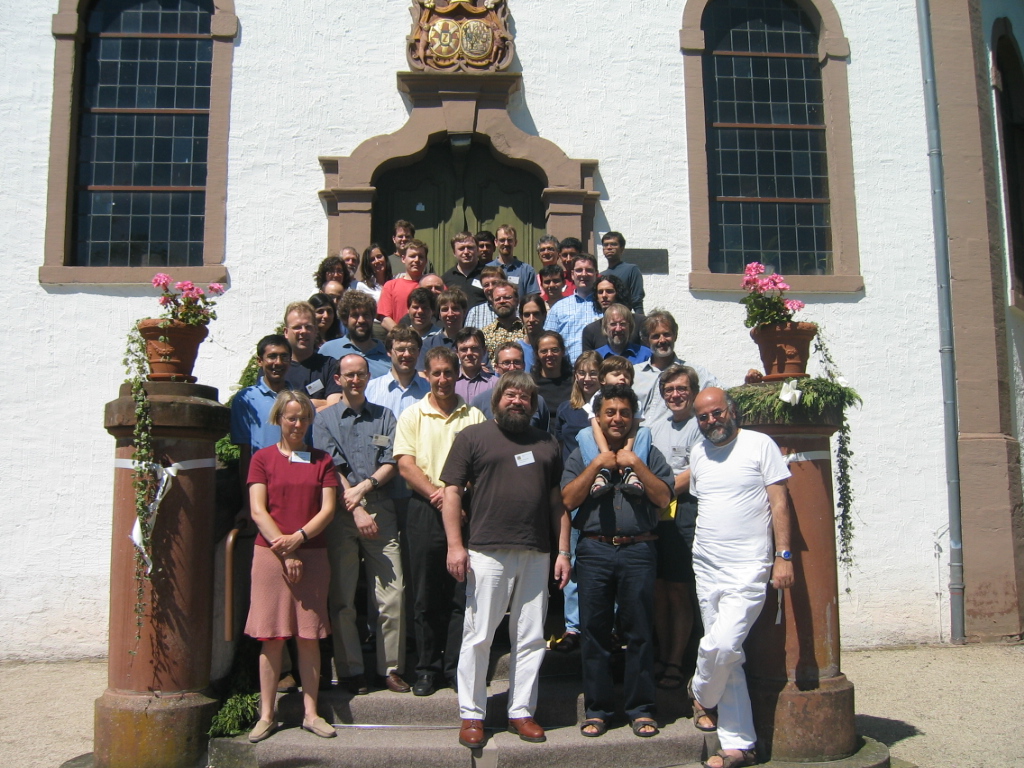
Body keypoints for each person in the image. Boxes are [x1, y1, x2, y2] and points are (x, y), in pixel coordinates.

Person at [441, 372, 571, 749]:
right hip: (487, 550)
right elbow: (452, 493)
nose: (517, 401)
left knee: (530, 637)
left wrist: (563, 551)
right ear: (497, 400)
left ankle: (521, 711)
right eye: (510, 395)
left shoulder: (547, 443)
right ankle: (472, 714)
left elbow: (557, 503)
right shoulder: (472, 437)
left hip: (536, 551)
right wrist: (455, 546)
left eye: (525, 397)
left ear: (533, 405)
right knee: (479, 634)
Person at [688, 387, 795, 768]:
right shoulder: (698, 452)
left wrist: (783, 556)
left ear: (731, 411)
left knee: (723, 644)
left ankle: (700, 690)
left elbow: (779, 502)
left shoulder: (759, 444)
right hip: (706, 564)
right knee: (729, 656)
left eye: (716, 413)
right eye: (703, 417)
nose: (711, 421)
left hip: (749, 565)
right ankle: (738, 745)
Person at [561, 384, 674, 740]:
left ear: (633, 417)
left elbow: (663, 497)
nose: (617, 418)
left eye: (624, 412)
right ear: (598, 417)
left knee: (639, 632)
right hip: (594, 550)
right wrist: (598, 463)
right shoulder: (581, 452)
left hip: (638, 551)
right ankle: (598, 709)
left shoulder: (649, 452)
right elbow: (567, 499)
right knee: (594, 633)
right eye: (610, 412)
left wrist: (635, 463)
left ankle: (641, 709)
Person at [244, 390, 338, 743]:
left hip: (311, 554)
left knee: (308, 636)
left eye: (304, 418)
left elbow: (328, 510)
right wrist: (285, 550)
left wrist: (298, 539)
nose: (298, 424)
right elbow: (258, 510)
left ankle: (311, 714)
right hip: (271, 557)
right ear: (279, 419)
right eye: (292, 417)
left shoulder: (322, 460)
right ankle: (267, 715)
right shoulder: (262, 459)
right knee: (271, 637)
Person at [314, 354, 409, 695]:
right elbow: (329, 467)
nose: (355, 380)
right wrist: (354, 507)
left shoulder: (385, 416)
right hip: (341, 515)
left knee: (393, 593)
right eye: (349, 375)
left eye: (360, 374)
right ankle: (351, 670)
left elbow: (392, 461)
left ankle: (391, 668)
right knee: (342, 597)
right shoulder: (323, 420)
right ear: (338, 379)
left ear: (369, 377)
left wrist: (364, 488)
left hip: (381, 510)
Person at [393, 347, 486, 696]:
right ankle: (427, 669)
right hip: (424, 509)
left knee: (462, 593)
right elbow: (405, 465)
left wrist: (457, 498)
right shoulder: (412, 415)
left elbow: (481, 465)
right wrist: (441, 496)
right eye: (436, 373)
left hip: (467, 510)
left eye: (448, 372)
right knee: (426, 593)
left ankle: (455, 668)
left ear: (456, 374)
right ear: (427, 375)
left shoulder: (474, 416)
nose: (443, 379)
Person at [647, 365, 702, 693]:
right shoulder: (656, 426)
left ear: (693, 391)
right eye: (669, 390)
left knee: (679, 588)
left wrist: (661, 493)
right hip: (656, 512)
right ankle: (662, 652)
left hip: (684, 510)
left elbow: (694, 471)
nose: (675, 395)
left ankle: (677, 661)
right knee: (658, 588)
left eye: (682, 389)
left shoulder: (700, 425)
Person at [549, 349, 602, 654]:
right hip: (572, 489)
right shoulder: (566, 409)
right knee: (570, 558)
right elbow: (558, 446)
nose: (587, 378)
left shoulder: (608, 408)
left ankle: (606, 626)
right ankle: (573, 627)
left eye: (593, 372)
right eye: (582, 372)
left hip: (602, 490)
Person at [637, 310, 721, 415]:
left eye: (666, 334)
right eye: (656, 336)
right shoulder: (634, 374)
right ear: (646, 341)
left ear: (675, 336)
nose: (662, 340)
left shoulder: (696, 373)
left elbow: (726, 395)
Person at [470, 342, 551, 430]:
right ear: (496, 367)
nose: (512, 368)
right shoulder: (480, 402)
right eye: (506, 363)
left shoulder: (537, 401)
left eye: (517, 362)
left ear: (523, 365)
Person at [280, 301, 341, 410]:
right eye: (297, 327)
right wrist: (315, 403)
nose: (303, 331)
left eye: (308, 327)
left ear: (315, 330)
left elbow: (334, 407)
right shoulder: (276, 368)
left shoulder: (330, 366)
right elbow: (272, 408)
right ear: (286, 332)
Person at [543, 253, 602, 363]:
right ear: (572, 274)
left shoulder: (605, 306)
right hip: (569, 369)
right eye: (579, 270)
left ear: (596, 274)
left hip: (601, 368)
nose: (584, 274)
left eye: (589, 270)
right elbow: (547, 342)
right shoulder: (558, 308)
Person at [320, 291, 392, 380]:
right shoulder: (328, 350)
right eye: (355, 315)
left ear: (373, 318)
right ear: (345, 319)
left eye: (366, 315)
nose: (361, 320)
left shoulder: (388, 353)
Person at [365, 326, 431, 417]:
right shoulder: (370, 389)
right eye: (401, 349)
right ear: (389, 351)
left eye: (412, 349)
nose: (407, 354)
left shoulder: (429, 390)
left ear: (418, 352)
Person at [581, 273, 644, 353]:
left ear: (618, 294)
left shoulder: (640, 322)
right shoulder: (590, 331)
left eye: (609, 291)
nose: (604, 295)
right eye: (600, 292)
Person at [378, 239, 428, 331]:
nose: (416, 260)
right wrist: (403, 335)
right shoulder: (390, 286)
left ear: (426, 260)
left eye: (421, 257)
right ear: (403, 258)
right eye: (412, 256)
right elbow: (385, 319)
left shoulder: (433, 285)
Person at [419, 287, 470, 369]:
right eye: (445, 309)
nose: (450, 314)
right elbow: (422, 372)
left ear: (464, 312)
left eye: (455, 308)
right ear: (439, 314)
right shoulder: (428, 344)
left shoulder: (474, 342)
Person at [600, 231, 645, 314]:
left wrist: (641, 319)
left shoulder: (631, 270)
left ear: (622, 248)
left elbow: (637, 300)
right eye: (606, 245)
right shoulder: (601, 275)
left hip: (623, 317)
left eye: (613, 244)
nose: (609, 247)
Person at [441, 231, 487, 309]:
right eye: (461, 248)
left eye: (470, 247)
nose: (466, 252)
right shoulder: (446, 278)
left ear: (477, 250)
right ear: (454, 252)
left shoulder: (489, 274)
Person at [531, 330, 574, 413]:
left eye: (554, 350)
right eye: (544, 351)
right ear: (537, 354)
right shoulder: (531, 384)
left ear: (563, 351)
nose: (549, 354)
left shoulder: (574, 382)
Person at [481, 281, 524, 359]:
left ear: (517, 300)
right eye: (497, 299)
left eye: (507, 297)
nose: (502, 301)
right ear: (492, 304)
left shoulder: (527, 331)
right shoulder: (484, 334)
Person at [453, 327, 497, 404]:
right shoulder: (450, 383)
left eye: (474, 348)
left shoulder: (496, 384)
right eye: (464, 349)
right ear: (457, 353)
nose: (469, 353)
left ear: (484, 350)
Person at [489, 224, 537, 292]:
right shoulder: (487, 269)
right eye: (502, 240)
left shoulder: (527, 271)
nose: (506, 243)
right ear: (496, 242)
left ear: (515, 242)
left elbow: (532, 297)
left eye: (509, 240)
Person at [464, 265, 507, 329]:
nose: (490, 288)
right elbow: (467, 335)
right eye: (486, 285)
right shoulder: (474, 312)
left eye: (494, 283)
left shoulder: (517, 309)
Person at [517, 292, 547, 371]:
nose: (531, 319)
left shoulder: (553, 347)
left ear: (544, 315)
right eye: (527, 315)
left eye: (536, 314)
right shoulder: (517, 350)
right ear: (521, 317)